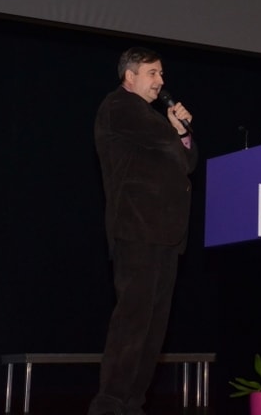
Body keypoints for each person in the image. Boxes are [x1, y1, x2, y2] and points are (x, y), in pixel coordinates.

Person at [89, 47, 199, 415]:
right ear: (130, 76)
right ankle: (109, 404)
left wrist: (182, 134)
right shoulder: (119, 106)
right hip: (137, 230)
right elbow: (168, 142)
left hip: (165, 234)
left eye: (162, 74)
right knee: (133, 323)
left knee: (153, 329)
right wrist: (177, 130)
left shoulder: (151, 121)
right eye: (153, 73)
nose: (161, 81)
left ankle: (132, 404)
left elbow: (188, 160)